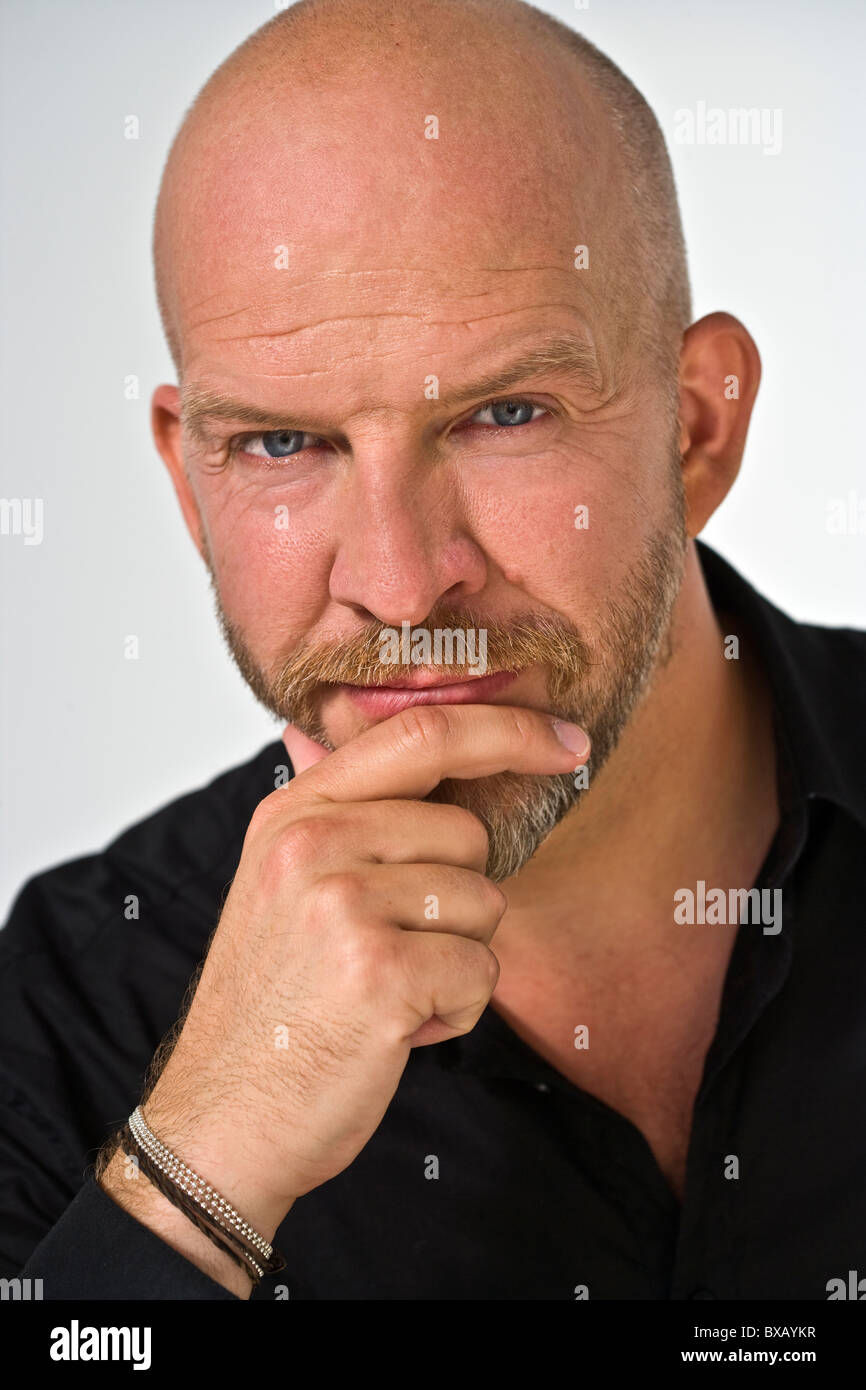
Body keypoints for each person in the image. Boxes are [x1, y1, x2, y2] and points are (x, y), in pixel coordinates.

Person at [2, 0, 864, 1301]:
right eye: (282, 446)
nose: (400, 583)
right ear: (191, 486)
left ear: (695, 428)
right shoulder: (73, 1003)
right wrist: (201, 1165)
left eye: (503, 414)